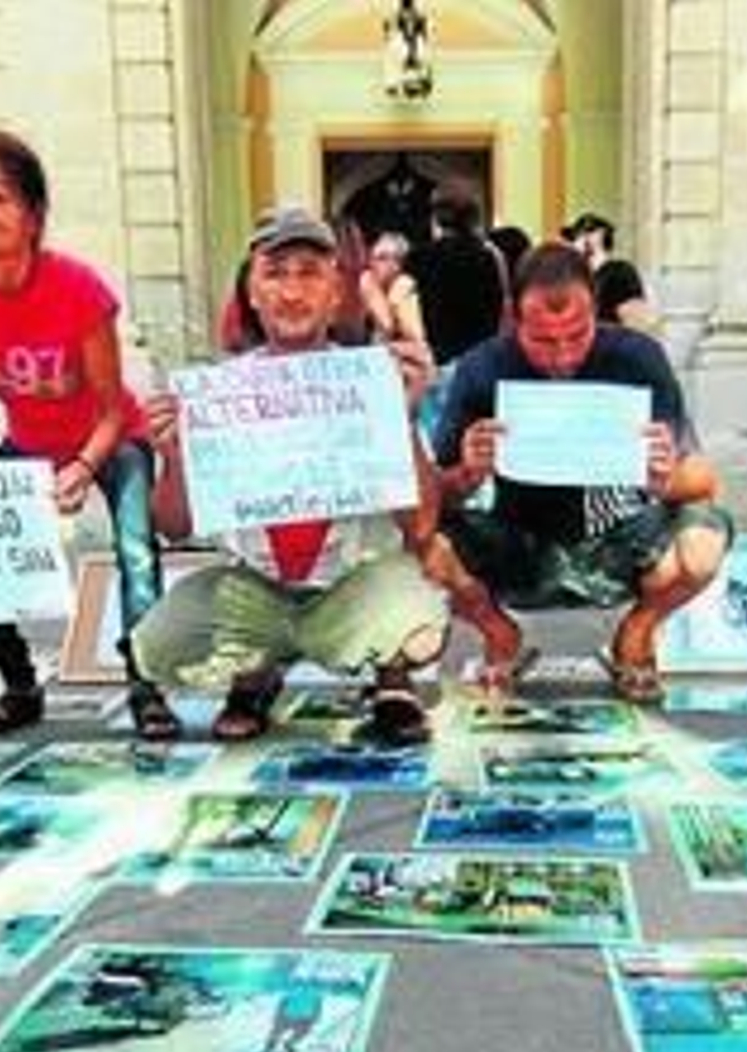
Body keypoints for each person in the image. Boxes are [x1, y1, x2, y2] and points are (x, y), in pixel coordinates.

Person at [0, 130, 178, 741]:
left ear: (33, 214)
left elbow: (111, 409)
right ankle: (19, 686)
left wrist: (82, 467)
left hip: (109, 438)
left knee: (136, 553)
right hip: (28, 442)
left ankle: (146, 689)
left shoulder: (77, 288)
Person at [133, 204, 448, 745]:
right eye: (275, 274)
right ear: (252, 293)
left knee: (416, 612)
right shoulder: (221, 391)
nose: (292, 291)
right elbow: (174, 527)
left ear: (336, 292)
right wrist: (175, 458)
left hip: (349, 585)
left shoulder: (371, 382)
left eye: (309, 273)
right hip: (257, 587)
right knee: (159, 642)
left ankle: (392, 680)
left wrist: (403, 419)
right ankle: (254, 673)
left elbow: (420, 526)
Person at [424, 241, 732, 702]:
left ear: (597, 313)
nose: (562, 357)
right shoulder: (481, 369)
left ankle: (637, 631)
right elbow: (434, 495)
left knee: (705, 539)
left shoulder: (637, 358)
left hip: (618, 537)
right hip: (518, 542)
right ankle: (499, 633)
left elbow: (705, 480)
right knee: (421, 539)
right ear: (512, 317)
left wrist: (662, 478)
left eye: (577, 335)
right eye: (543, 341)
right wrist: (467, 473)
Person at [405, 179, 509, 434]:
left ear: (436, 218)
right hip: (480, 364)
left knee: (436, 443)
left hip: (436, 365)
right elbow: (502, 311)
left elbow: (402, 307)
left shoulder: (419, 258)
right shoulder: (489, 258)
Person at [561, 211, 658, 334]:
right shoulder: (577, 277)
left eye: (577, 237)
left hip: (610, 343)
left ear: (598, 236)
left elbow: (636, 322)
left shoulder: (620, 271)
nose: (573, 244)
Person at [359, 231, 426, 347]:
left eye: (396, 259)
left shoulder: (404, 285)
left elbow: (416, 337)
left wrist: (395, 300)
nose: (390, 265)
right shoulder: (367, 280)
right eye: (380, 258)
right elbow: (386, 326)